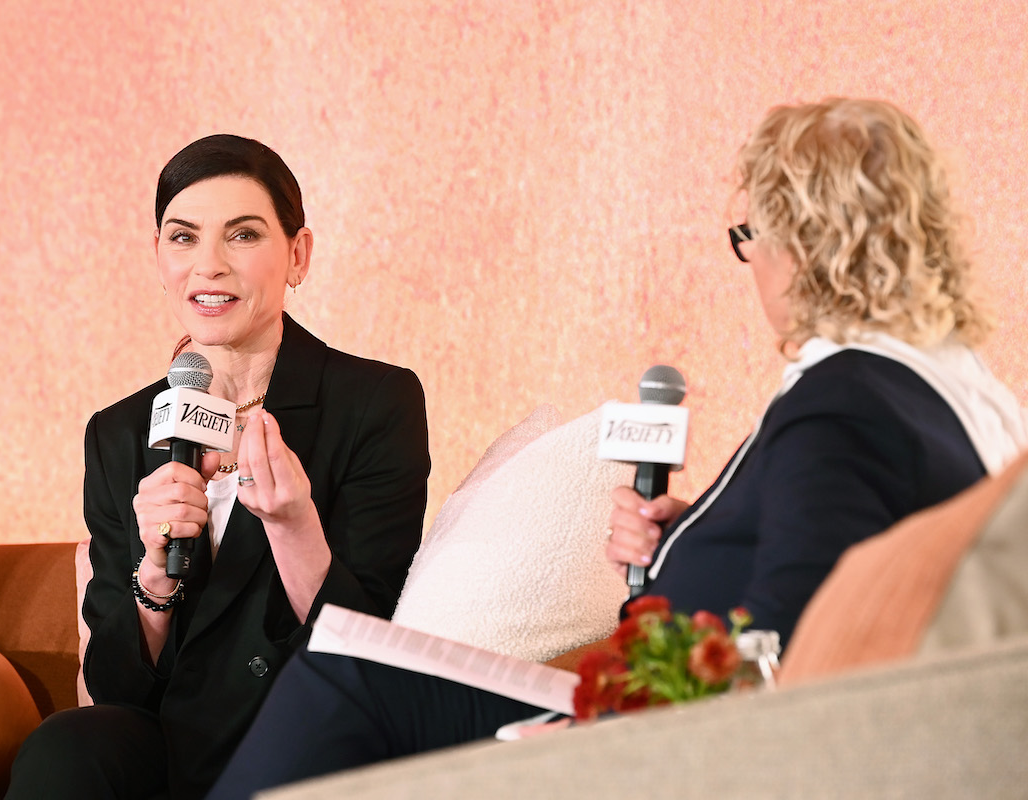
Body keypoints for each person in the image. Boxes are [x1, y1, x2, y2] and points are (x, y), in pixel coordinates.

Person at [204, 98, 1028, 799]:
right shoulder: (954, 396)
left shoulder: (843, 401)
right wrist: (685, 536)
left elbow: (775, 650)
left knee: (345, 682)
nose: (752, 266)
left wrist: (588, 732)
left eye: (750, 236)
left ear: (806, 241)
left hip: (650, 739)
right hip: (650, 711)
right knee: (358, 673)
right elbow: (815, 558)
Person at [4, 134, 431, 800]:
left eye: (242, 235)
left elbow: (367, 652)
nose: (208, 266)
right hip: (169, 744)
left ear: (298, 255)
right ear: (158, 257)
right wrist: (152, 575)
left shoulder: (374, 401)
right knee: (68, 748)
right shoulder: (118, 433)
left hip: (302, 727)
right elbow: (116, 687)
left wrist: (293, 527)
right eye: (182, 238)